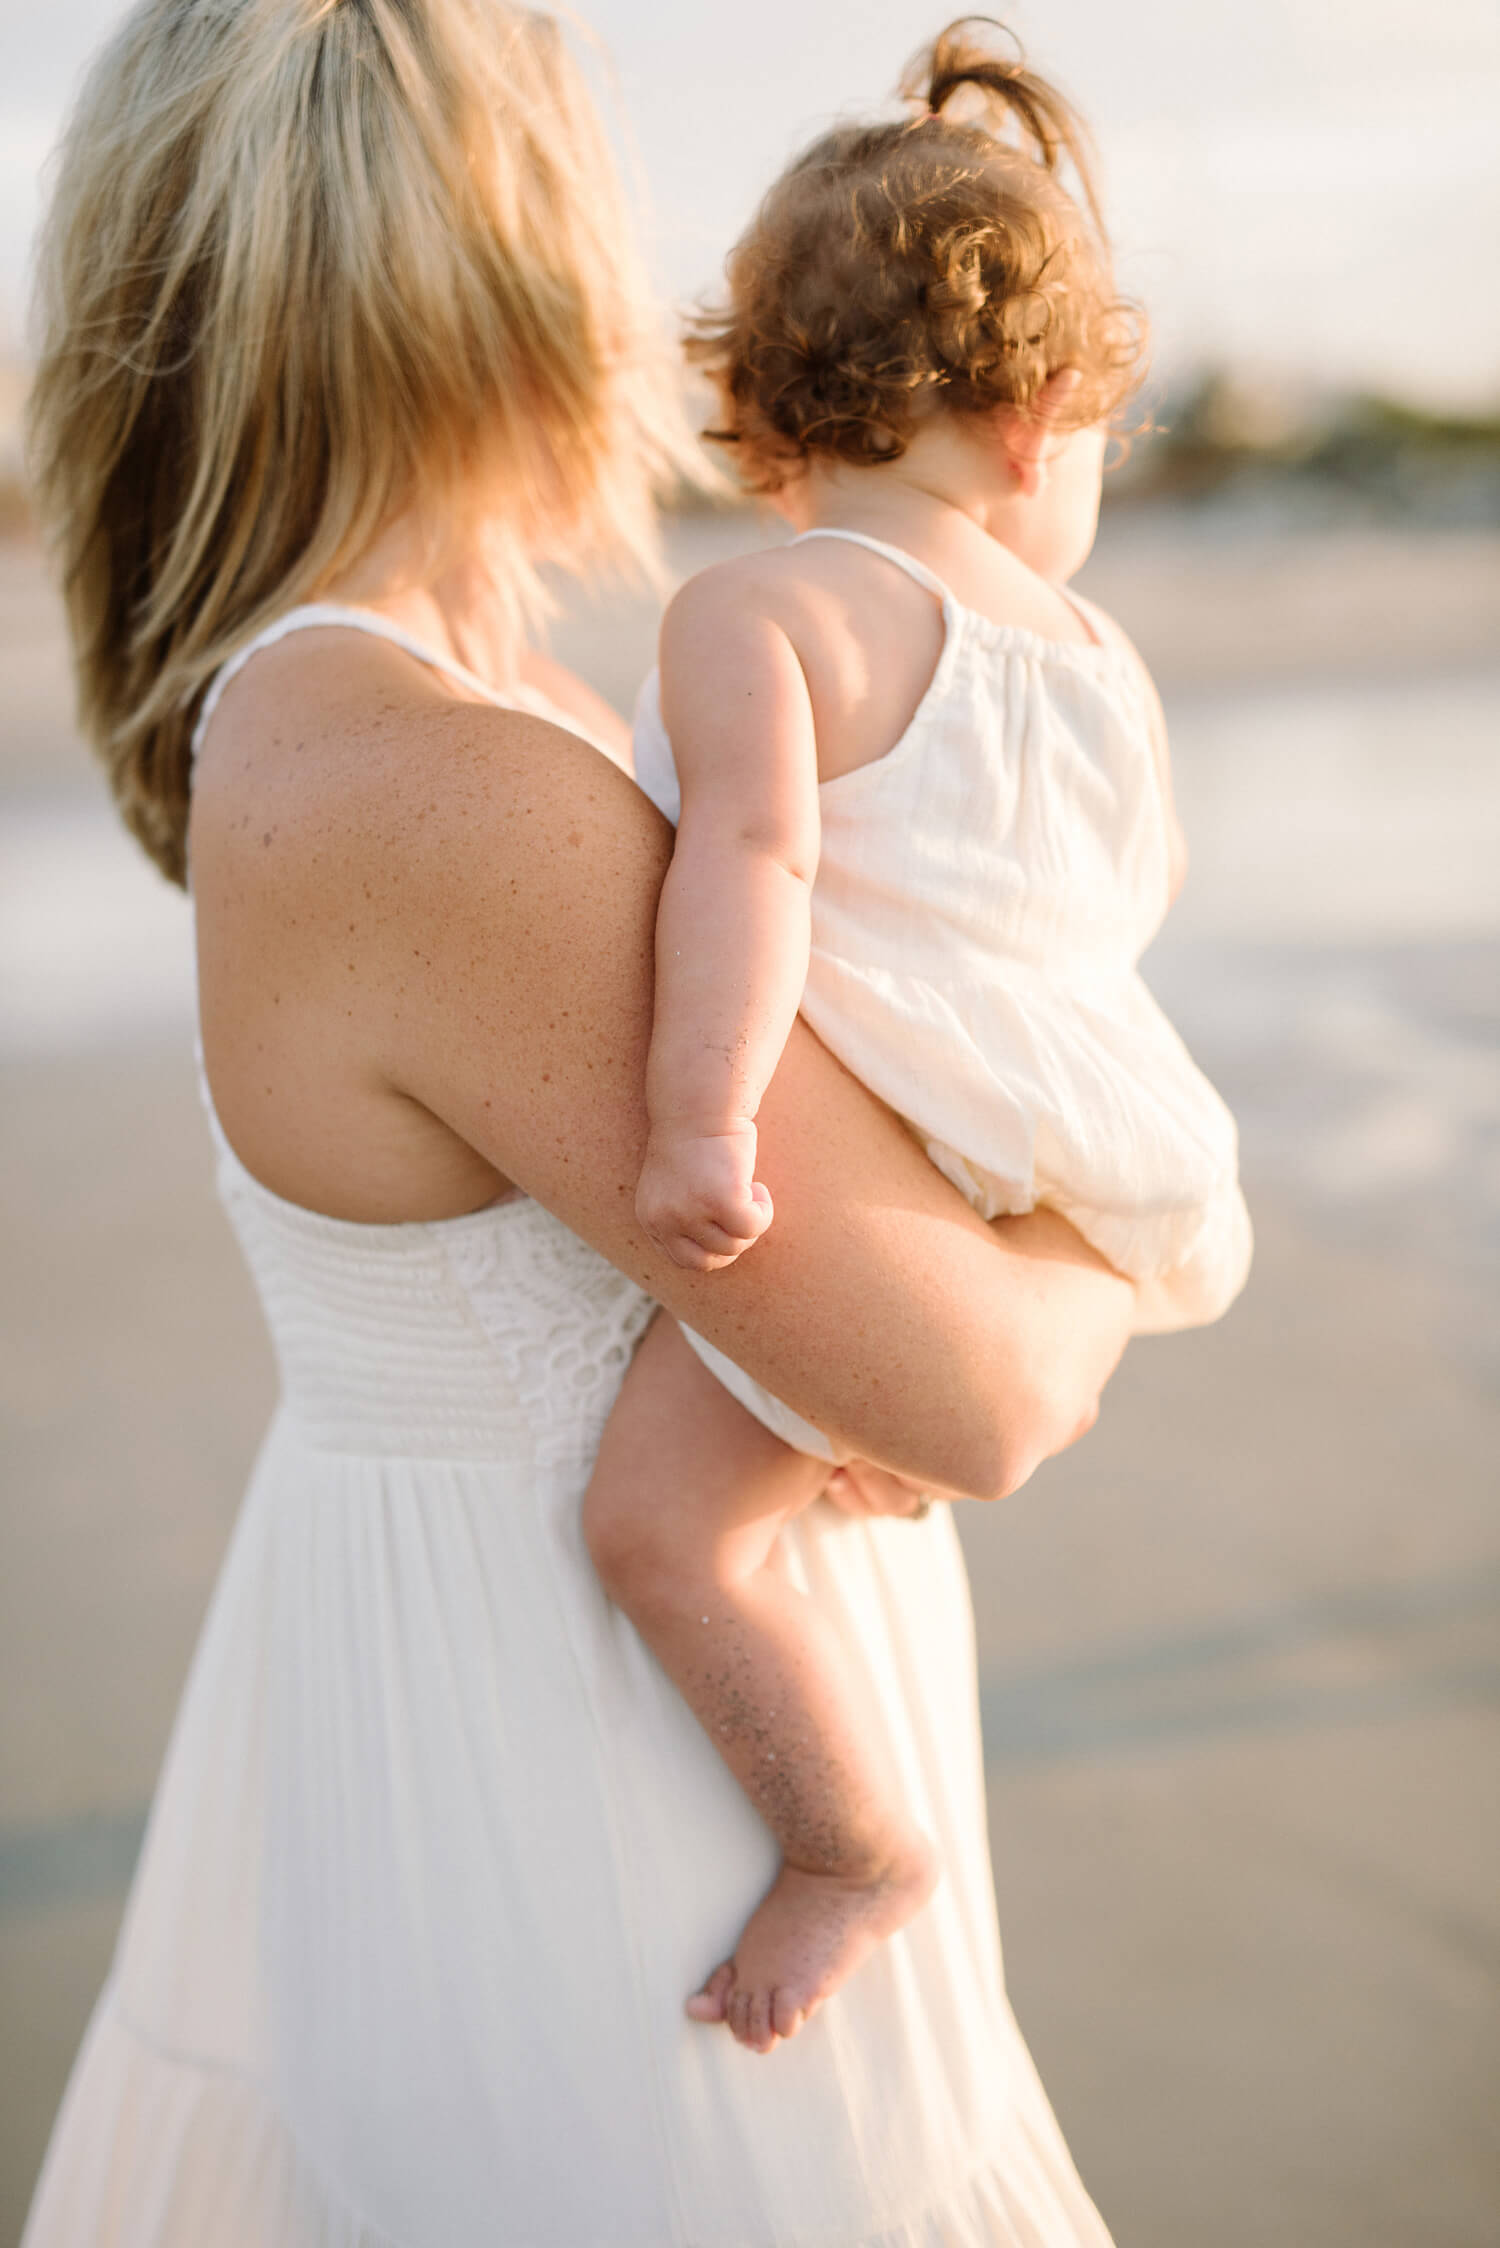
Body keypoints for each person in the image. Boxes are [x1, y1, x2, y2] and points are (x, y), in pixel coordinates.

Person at [22, 1, 1136, 2241]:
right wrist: (1117, 1222)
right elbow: (985, 1388)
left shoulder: (446, 712)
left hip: (514, 1746)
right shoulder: (438, 782)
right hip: (614, 1872)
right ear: (523, 263)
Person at [587, 19, 1252, 2053]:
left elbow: (751, 876)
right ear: (1046, 416)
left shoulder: (767, 612)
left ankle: (844, 1841)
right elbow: (1125, 899)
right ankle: (859, 1434)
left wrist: (703, 1121)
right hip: (1072, 1144)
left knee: (655, 1529)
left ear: (769, 412)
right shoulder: (1100, 658)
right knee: (821, 1464)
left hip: (892, 1130)